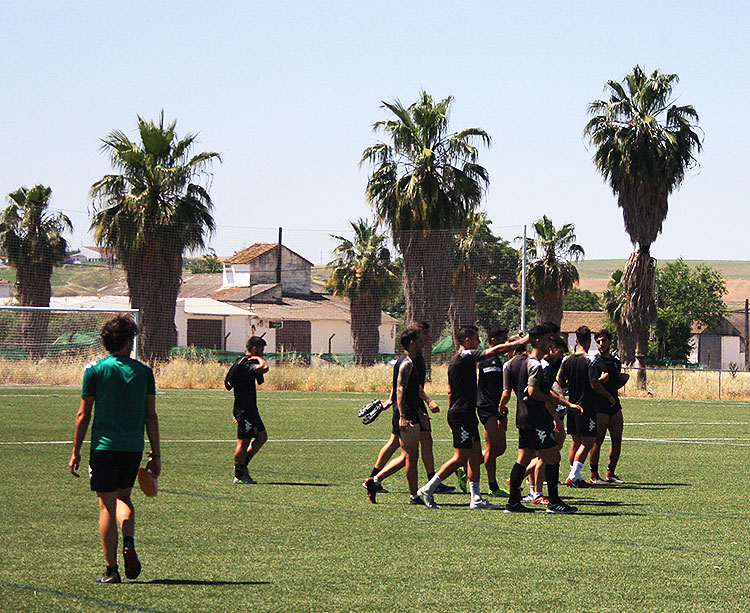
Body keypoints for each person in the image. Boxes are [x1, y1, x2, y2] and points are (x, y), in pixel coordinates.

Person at [68, 315, 160, 584]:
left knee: (106, 506)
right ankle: (128, 541)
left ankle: (111, 570)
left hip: (104, 448)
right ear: (129, 340)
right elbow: (150, 416)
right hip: (132, 448)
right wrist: (156, 454)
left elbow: (83, 414)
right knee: (124, 499)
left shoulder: (94, 370)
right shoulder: (145, 372)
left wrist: (75, 450)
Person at [416, 326, 529, 510]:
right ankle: (428, 489)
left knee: (475, 456)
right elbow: (495, 350)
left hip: (467, 413)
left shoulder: (463, 358)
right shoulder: (463, 356)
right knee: (460, 458)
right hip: (461, 414)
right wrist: (521, 342)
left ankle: (476, 498)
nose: (479, 342)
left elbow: (451, 391)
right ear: (467, 340)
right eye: (476, 338)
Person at [362, 322, 454, 495]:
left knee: (417, 445)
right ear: (414, 339)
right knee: (406, 452)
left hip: (411, 406)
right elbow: (403, 386)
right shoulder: (410, 359)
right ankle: (375, 479)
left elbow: (403, 384)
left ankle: (429, 481)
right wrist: (425, 402)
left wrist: (393, 401)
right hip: (408, 408)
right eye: (423, 335)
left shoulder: (413, 357)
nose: (426, 339)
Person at [504, 325, 582, 514]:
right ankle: (554, 502)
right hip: (536, 419)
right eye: (547, 340)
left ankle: (513, 502)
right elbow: (534, 392)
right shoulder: (536, 364)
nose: (550, 344)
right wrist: (561, 404)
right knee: (553, 455)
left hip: (523, 417)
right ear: (538, 340)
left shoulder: (521, 362)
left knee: (523, 459)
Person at [364, 328, 427, 504]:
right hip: (406, 414)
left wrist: (421, 411)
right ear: (412, 343)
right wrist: (402, 415)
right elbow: (400, 389)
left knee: (409, 456)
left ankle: (375, 480)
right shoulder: (406, 363)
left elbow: (413, 389)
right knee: (410, 456)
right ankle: (412, 496)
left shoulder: (410, 361)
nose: (423, 343)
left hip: (411, 412)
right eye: (420, 341)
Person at [557, 326, 598, 487]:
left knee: (575, 441)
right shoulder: (590, 360)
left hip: (571, 405)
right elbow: (593, 383)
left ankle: (575, 475)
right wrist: (605, 391)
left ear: (576, 340)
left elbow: (560, 383)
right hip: (586, 406)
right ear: (589, 340)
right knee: (588, 441)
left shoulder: (567, 360)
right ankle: (573, 475)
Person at [227, 336, 270, 484]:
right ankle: (239, 474)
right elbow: (264, 368)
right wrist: (260, 359)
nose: (263, 353)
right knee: (243, 442)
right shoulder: (247, 363)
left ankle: (243, 465)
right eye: (261, 350)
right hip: (245, 410)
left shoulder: (241, 362)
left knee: (262, 437)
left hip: (249, 409)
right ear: (254, 349)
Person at [589, 329, 629, 484]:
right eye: (598, 341)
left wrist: (621, 380)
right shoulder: (594, 362)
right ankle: (594, 475)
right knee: (597, 441)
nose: (601, 344)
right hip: (600, 406)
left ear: (609, 342)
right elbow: (593, 384)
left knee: (617, 439)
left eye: (603, 341)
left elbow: (614, 381)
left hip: (614, 405)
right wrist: (603, 385)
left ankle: (611, 473)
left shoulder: (615, 362)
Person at [476, 325, 512, 498]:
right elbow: (493, 390)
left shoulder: (497, 360)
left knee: (501, 447)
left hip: (496, 408)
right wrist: (499, 414)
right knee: (491, 447)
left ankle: (466, 465)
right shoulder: (489, 360)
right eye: (502, 339)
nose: (505, 343)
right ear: (492, 341)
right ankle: (493, 486)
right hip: (488, 407)